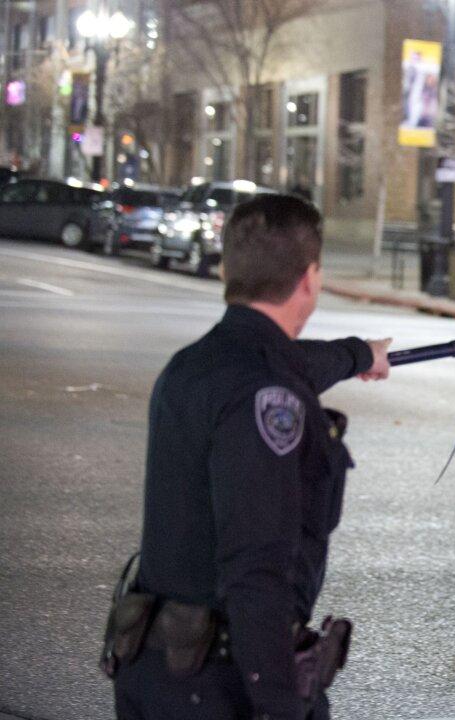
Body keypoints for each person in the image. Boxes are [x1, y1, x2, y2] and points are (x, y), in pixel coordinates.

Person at [110, 194, 392, 719]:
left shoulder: (192, 366)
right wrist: (279, 704)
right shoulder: (266, 393)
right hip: (220, 687)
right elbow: (257, 566)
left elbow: (290, 360)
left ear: (226, 270)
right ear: (310, 279)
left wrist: (361, 355)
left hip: (154, 674)